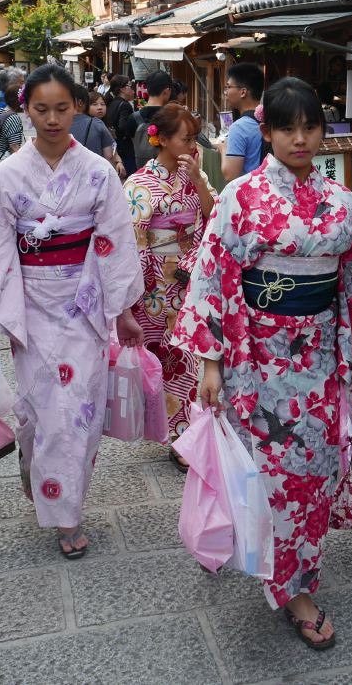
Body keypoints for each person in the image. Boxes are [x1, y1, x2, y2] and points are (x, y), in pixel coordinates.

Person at [174, 78, 352, 650]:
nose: (300, 139)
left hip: (318, 357)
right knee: (269, 475)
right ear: (268, 133)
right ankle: (284, 579)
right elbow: (213, 277)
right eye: (288, 128)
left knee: (313, 472)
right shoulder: (240, 197)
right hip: (255, 360)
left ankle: (297, 578)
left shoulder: (343, 204)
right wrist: (211, 362)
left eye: (310, 127)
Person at [0, 64, 144, 559]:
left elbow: (114, 240)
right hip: (31, 305)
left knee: (77, 409)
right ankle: (34, 459)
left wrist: (124, 310)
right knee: (40, 409)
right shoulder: (9, 173)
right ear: (27, 110)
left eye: (62, 108)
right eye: (42, 109)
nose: (53, 119)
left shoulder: (98, 171)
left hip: (84, 303)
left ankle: (67, 514)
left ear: (76, 107)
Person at [124, 103, 214, 464]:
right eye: (186, 138)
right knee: (160, 356)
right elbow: (132, 239)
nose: (192, 146)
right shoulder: (140, 183)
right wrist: (139, 284)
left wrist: (198, 182)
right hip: (155, 282)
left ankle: (184, 434)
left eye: (194, 138)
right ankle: (169, 428)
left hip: (188, 277)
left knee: (186, 355)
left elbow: (213, 216)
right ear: (160, 139)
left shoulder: (194, 175)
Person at [121, 69, 173, 175]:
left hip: (140, 174)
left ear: (147, 90)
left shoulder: (133, 118)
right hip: (168, 174)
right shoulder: (173, 117)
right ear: (167, 91)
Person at [221, 62, 265, 182]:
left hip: (250, 189)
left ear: (243, 92)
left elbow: (230, 175)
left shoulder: (240, 127)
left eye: (228, 87)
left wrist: (223, 148)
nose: (226, 92)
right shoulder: (270, 121)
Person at [70, 85, 118, 167]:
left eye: (103, 104)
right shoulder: (96, 124)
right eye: (94, 104)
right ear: (81, 103)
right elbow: (109, 156)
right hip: (93, 171)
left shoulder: (57, 125)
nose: (100, 108)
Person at [105, 75, 137, 173]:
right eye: (130, 85)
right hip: (125, 149)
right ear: (122, 89)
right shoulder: (125, 105)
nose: (132, 89)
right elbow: (124, 127)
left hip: (114, 147)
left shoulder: (112, 103)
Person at [0, 83, 25, 164]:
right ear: (18, 101)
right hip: (5, 160)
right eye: (24, 100)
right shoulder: (13, 118)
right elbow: (14, 146)